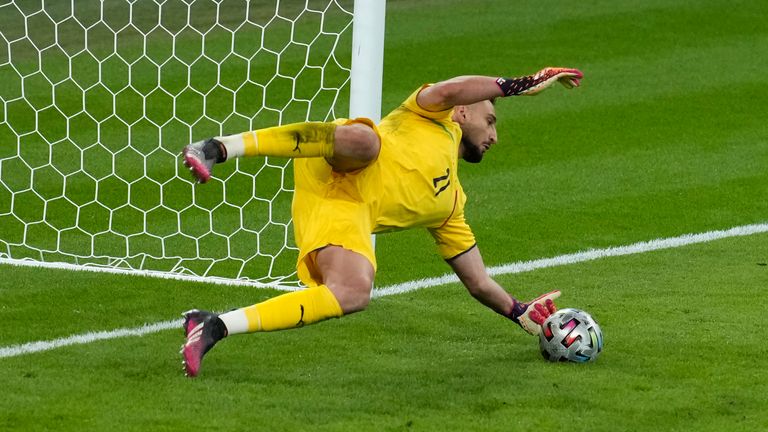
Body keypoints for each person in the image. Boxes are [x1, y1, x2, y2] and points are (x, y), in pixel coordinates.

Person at [180, 67, 584, 377]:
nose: (495, 135)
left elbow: (477, 280)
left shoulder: (449, 206)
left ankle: (213, 326)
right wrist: (517, 84)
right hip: (339, 157)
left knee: (354, 293)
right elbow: (448, 89)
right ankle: (218, 147)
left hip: (340, 208)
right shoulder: (430, 114)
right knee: (367, 141)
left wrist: (518, 312)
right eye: (491, 121)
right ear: (463, 112)